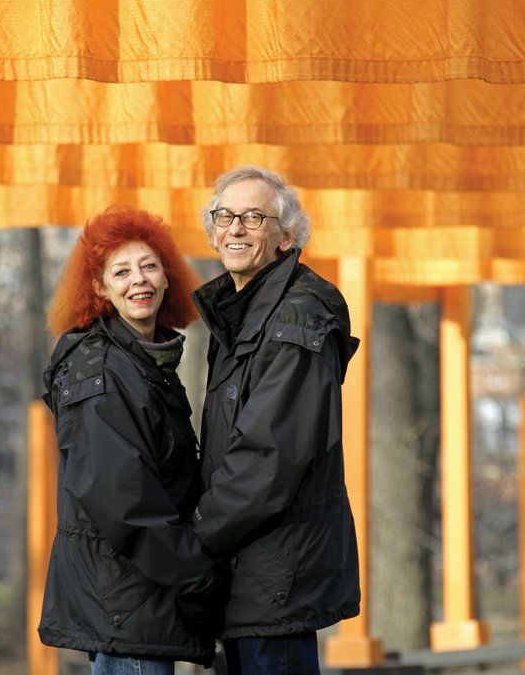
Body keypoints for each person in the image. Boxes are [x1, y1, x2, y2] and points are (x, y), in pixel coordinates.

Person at [190, 166, 361, 674]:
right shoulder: (243, 312)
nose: (235, 228)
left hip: (276, 579)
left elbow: (269, 458)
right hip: (248, 575)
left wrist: (192, 541)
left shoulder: (297, 315)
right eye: (224, 215)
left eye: (253, 217)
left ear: (287, 236)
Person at [39, 206, 218, 673]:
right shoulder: (98, 369)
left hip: (145, 595)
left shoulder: (144, 361)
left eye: (149, 266)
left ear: (167, 277)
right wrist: (197, 577)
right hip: (128, 600)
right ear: (99, 288)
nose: (138, 280)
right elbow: (123, 501)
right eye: (121, 271)